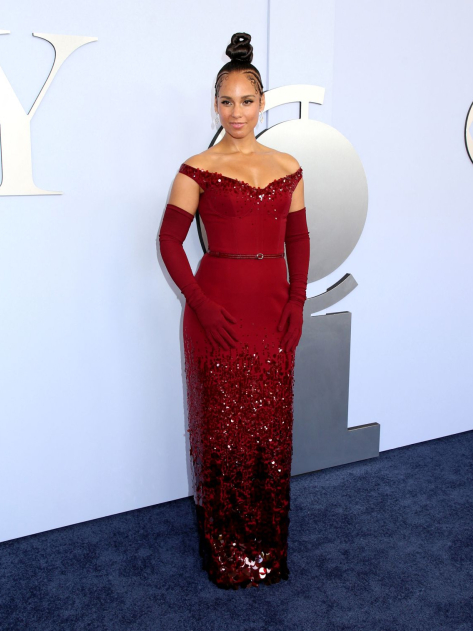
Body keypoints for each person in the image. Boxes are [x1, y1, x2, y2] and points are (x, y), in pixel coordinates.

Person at [158, 32, 310, 589]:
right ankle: (227, 552)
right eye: (227, 101)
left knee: (268, 430)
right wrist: (200, 306)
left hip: (272, 313)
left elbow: (299, 237)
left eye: (247, 101)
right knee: (223, 432)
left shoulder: (289, 165)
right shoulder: (196, 167)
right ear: (215, 104)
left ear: (262, 102)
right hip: (214, 313)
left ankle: (267, 548)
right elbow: (170, 242)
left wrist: (297, 301)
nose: (237, 112)